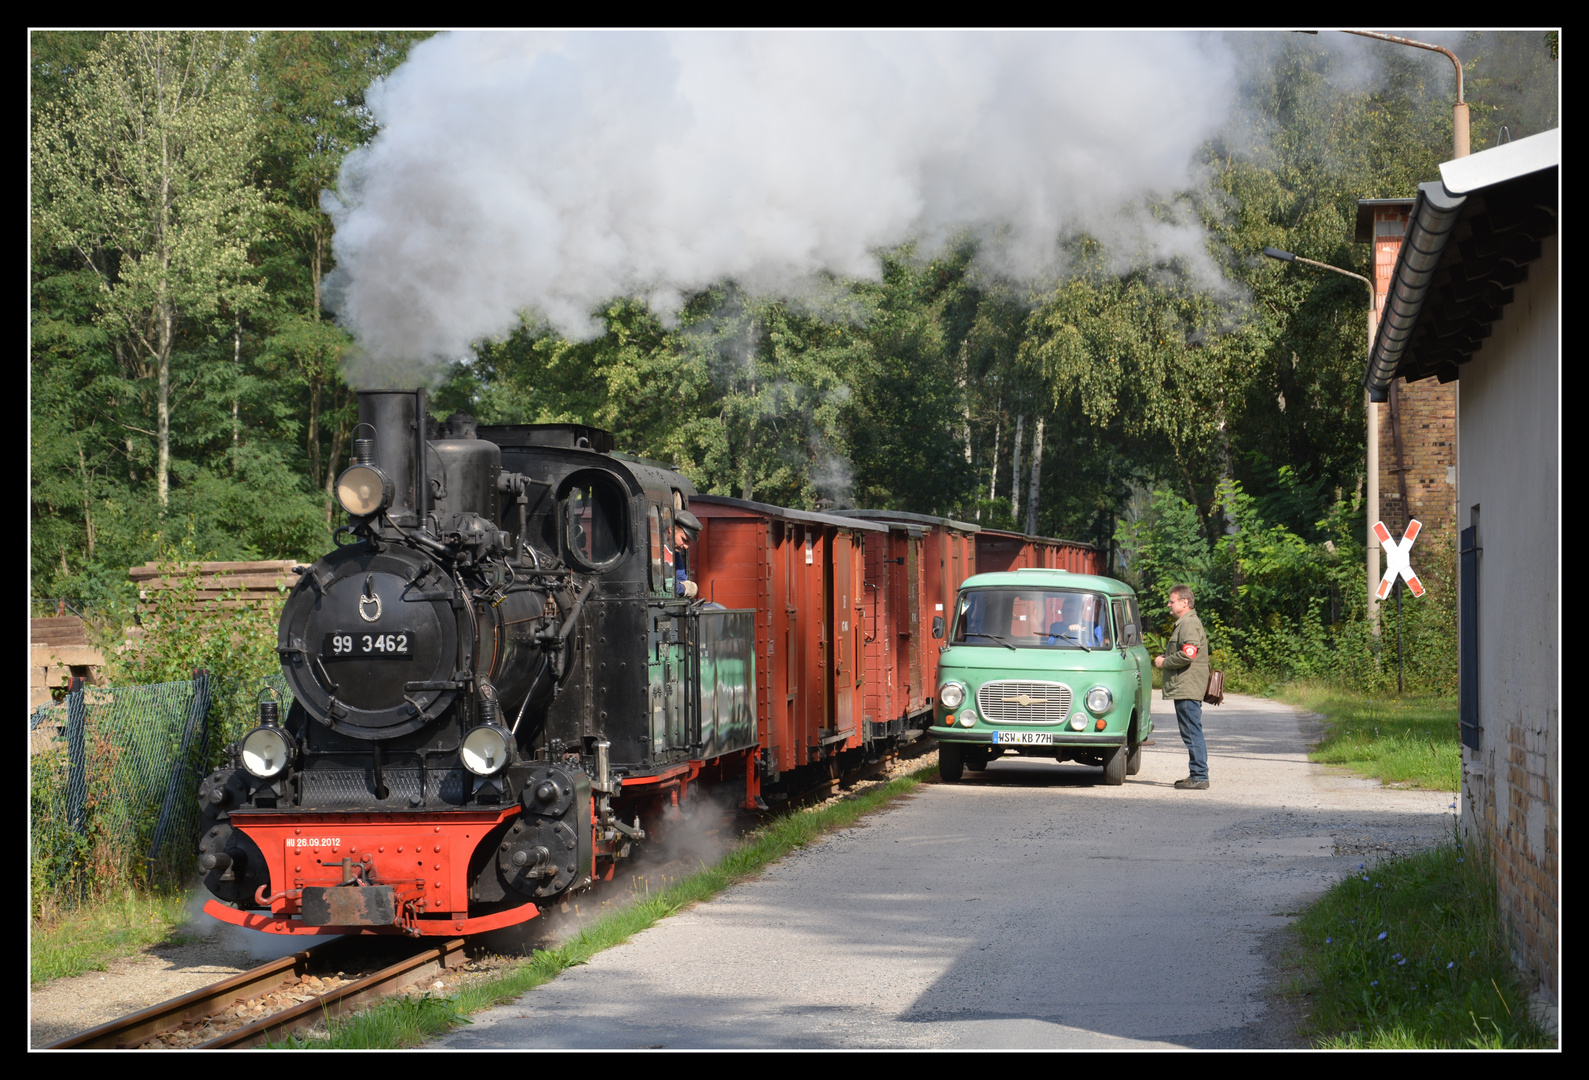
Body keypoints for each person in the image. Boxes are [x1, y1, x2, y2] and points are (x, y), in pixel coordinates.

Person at [1154, 584, 1210, 789]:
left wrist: (1164, 662)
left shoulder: (1188, 624)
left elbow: (1189, 654)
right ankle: (1197, 773)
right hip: (1186, 685)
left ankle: (1199, 776)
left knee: (1191, 731)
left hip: (1187, 686)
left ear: (1184, 602)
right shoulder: (1186, 623)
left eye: (1172, 601)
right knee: (1191, 730)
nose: (1169, 604)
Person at [673, 509, 702, 598]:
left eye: (688, 542)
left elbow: (682, 580)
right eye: (684, 540)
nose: (686, 546)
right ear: (671, 529)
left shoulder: (674, 552)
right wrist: (682, 588)